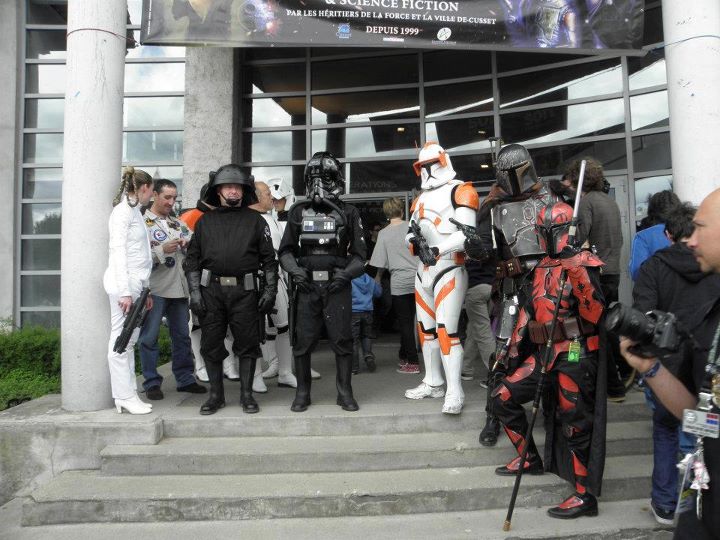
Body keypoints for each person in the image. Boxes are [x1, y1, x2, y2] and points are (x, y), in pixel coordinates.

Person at [492, 201, 607, 519]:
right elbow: (528, 309)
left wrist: (576, 269)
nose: (545, 237)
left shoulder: (585, 263)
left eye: (550, 231)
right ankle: (529, 458)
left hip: (575, 352)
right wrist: (511, 348)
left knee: (576, 424)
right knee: (502, 396)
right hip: (544, 353)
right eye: (542, 231)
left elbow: (595, 313)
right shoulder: (541, 266)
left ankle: (584, 495)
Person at [620, 188, 720, 539]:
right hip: (705, 512)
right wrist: (649, 368)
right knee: (683, 435)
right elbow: (705, 418)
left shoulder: (653, 267)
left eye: (701, 228)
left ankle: (665, 503)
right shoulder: (711, 319)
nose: (692, 240)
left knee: (665, 433)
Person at [464, 143, 560, 445]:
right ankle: (493, 417)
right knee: (502, 355)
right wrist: (474, 246)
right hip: (513, 290)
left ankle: (553, 414)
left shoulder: (552, 199)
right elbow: (483, 250)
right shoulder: (494, 206)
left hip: (549, 287)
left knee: (553, 352)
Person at [183, 164, 278, 415]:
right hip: (211, 292)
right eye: (228, 187)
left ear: (244, 190)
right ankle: (216, 396)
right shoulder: (204, 222)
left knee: (248, 344)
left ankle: (247, 395)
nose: (233, 191)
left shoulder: (256, 221)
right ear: (218, 191)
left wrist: (270, 290)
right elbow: (192, 260)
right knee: (211, 345)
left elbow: (269, 260)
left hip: (245, 292)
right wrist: (195, 292)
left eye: (237, 187)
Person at [278, 151, 367, 413]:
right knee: (303, 341)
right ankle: (303, 393)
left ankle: (344, 392)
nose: (320, 184)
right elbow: (285, 251)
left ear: (336, 179)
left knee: (342, 339)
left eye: (326, 178)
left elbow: (360, 255)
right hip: (306, 286)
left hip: (337, 285)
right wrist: (295, 271)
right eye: (315, 178)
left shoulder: (349, 212)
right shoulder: (297, 212)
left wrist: (345, 275)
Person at [404, 142, 479, 415]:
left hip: (449, 267)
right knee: (426, 331)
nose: (427, 170)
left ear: (444, 161)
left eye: (431, 164)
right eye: (422, 166)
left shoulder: (461, 190)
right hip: (423, 270)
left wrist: (437, 249)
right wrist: (414, 241)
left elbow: (466, 234)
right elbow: (411, 232)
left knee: (447, 330)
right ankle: (433, 381)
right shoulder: (420, 199)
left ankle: (454, 390)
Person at [562, 158, 626, 402]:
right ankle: (624, 369)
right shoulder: (610, 202)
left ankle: (612, 385)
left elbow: (577, 239)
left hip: (596, 275)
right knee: (605, 324)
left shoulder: (587, 202)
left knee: (591, 327)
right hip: (613, 271)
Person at [137, 179, 207, 400]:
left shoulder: (178, 223)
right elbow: (135, 259)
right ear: (155, 195)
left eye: (174, 198)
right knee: (149, 337)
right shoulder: (141, 223)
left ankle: (185, 379)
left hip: (179, 289)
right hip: (155, 289)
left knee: (182, 336)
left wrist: (189, 246)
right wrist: (161, 250)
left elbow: (197, 248)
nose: (171, 202)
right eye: (167, 197)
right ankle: (151, 382)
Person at [103, 167, 155, 415]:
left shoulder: (134, 211)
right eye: (152, 191)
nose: (152, 196)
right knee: (121, 341)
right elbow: (118, 253)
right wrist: (125, 292)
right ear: (144, 188)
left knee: (129, 341)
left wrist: (145, 291)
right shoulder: (122, 213)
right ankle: (123, 396)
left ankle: (129, 394)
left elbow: (141, 255)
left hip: (135, 284)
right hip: (124, 284)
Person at [264, 176, 322, 382]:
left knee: (300, 322)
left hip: (297, 275)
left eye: (278, 199)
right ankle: (276, 363)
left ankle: (302, 363)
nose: (275, 202)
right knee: (273, 324)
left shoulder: (299, 218)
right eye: (272, 198)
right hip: (278, 276)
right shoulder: (268, 219)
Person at [249, 180, 297, 389]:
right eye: (268, 194)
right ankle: (255, 375)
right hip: (253, 279)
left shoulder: (272, 219)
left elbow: (282, 250)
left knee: (284, 325)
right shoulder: (246, 219)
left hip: (275, 278)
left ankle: (285, 372)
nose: (272, 197)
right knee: (253, 329)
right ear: (257, 197)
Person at [369, 197, 421, 374]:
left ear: (386, 213)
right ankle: (404, 355)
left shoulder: (383, 234)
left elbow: (380, 262)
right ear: (401, 210)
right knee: (420, 320)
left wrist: (378, 277)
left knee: (405, 323)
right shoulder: (412, 228)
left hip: (399, 281)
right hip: (420, 279)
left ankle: (412, 362)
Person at [178, 183, 213, 383]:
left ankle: (225, 364)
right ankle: (199, 365)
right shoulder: (189, 217)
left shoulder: (217, 217)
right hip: (192, 277)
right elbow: (185, 251)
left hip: (211, 277)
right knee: (196, 324)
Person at [629, 189, 681, 280]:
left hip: (656, 286)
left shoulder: (642, 237)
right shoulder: (688, 231)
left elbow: (636, 273)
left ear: (651, 211)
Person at [351, 270, 382, 374]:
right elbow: (378, 293)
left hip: (353, 312)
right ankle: (368, 356)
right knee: (366, 336)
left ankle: (354, 367)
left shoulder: (349, 279)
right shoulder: (369, 279)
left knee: (353, 340)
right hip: (368, 312)